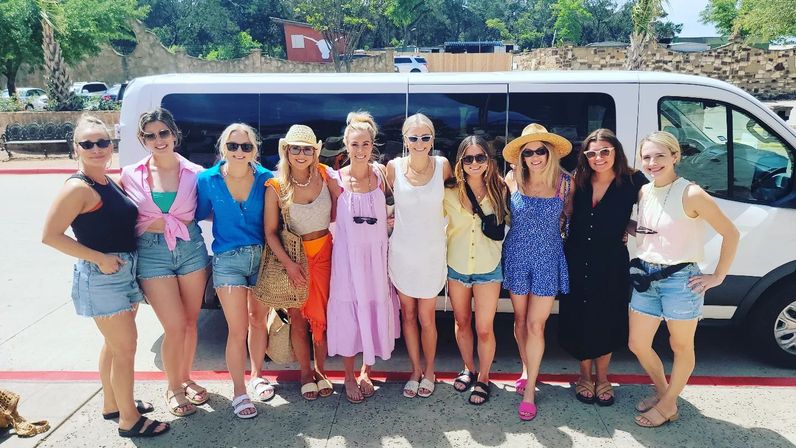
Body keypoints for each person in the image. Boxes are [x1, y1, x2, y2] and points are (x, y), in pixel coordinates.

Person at [42, 115, 169, 438]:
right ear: (76, 148)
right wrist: (99, 258)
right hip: (103, 277)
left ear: (111, 145)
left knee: (114, 346)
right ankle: (129, 420)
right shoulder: (77, 188)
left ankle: (113, 404)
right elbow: (50, 236)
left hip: (123, 272)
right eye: (88, 144)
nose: (96, 148)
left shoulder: (106, 180)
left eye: (102, 142)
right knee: (126, 349)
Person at [628, 131, 739, 427]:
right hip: (646, 276)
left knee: (680, 346)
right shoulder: (645, 191)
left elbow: (731, 233)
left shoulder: (691, 193)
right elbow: (651, 231)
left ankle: (666, 406)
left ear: (675, 156)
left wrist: (718, 275)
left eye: (660, 156)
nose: (652, 162)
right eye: (647, 157)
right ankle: (666, 394)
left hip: (680, 280)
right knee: (637, 343)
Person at [120, 108, 209, 417]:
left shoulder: (196, 173)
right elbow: (116, 212)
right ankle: (173, 387)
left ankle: (185, 377)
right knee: (173, 326)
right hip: (151, 252)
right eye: (150, 135)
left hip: (190, 247)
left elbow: (213, 207)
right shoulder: (130, 174)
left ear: (174, 134)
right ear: (142, 139)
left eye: (163, 133)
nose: (158, 140)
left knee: (190, 322)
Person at [558, 129, 648, 406]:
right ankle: (584, 375)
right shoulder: (580, 179)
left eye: (605, 151)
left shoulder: (634, 181)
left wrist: (631, 227)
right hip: (576, 257)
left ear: (616, 151)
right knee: (580, 315)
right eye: (592, 153)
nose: (598, 158)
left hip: (610, 260)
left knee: (607, 315)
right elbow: (567, 212)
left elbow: (657, 206)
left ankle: (603, 377)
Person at [196, 123, 276, 419]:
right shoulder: (208, 180)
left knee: (258, 321)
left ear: (254, 149)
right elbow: (200, 212)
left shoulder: (266, 179)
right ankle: (239, 392)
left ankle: (257, 376)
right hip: (227, 260)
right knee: (237, 328)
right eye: (233, 146)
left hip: (261, 257)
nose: (239, 151)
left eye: (246, 146)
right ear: (223, 148)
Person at [326, 112, 400, 404]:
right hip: (347, 259)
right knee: (349, 313)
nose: (360, 150)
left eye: (365, 144)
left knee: (372, 308)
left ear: (373, 145)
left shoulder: (381, 175)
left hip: (376, 258)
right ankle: (347, 375)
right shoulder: (335, 180)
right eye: (355, 144)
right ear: (346, 145)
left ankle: (366, 371)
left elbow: (393, 211)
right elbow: (329, 218)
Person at [502, 123, 573, 421]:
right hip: (517, 256)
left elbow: (573, 219)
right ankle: (526, 368)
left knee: (535, 325)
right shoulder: (512, 178)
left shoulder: (565, 183)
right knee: (520, 320)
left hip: (547, 259)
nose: (534, 157)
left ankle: (530, 390)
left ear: (550, 152)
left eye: (540, 151)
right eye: (528, 152)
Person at [264, 124, 337, 402]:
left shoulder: (325, 175)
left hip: (326, 255)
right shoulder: (276, 186)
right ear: (286, 151)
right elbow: (270, 232)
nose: (301, 154)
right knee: (297, 317)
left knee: (323, 317)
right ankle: (305, 373)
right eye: (296, 148)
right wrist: (289, 265)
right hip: (295, 258)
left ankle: (321, 371)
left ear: (315, 152)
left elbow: (343, 207)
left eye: (307, 149)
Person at [386, 113, 452, 398]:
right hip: (402, 253)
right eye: (413, 138)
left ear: (432, 139)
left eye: (425, 137)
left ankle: (430, 371)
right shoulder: (393, 167)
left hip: (432, 255)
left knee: (427, 318)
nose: (419, 142)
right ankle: (415, 371)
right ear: (405, 140)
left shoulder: (443, 166)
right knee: (409, 316)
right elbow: (385, 203)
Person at [443, 135, 508, 405]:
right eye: (468, 158)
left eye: (480, 157)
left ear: (488, 160)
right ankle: (468, 368)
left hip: (488, 267)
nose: (474, 163)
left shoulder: (500, 189)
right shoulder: (448, 191)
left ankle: (484, 377)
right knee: (462, 322)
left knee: (484, 328)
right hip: (457, 266)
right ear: (460, 161)